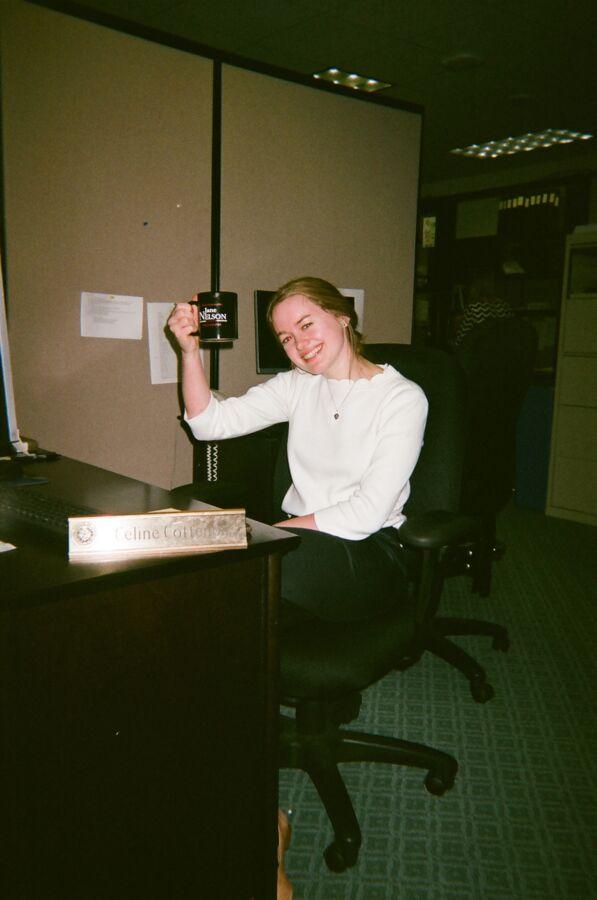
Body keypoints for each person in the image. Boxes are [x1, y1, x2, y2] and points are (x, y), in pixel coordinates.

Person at [168, 275, 428, 627]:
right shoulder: (298, 385)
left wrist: (270, 534)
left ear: (342, 316)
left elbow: (366, 513)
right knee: (199, 562)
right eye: (287, 338)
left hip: (370, 547)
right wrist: (189, 351)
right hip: (300, 537)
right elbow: (208, 424)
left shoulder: (401, 398)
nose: (299, 344)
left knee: (245, 577)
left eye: (306, 325)